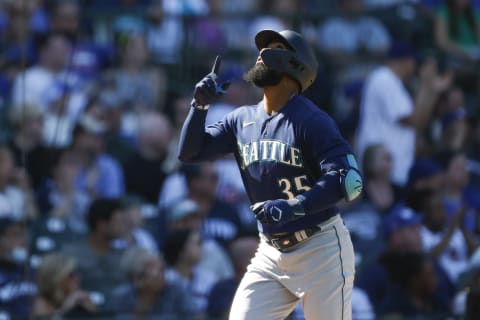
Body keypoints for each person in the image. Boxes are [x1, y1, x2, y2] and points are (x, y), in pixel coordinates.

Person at [178, 29, 363, 319]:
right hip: (271, 253)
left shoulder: (311, 119)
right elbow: (190, 153)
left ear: (297, 64)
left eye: (275, 47)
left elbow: (349, 181)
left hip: (320, 249)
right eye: (262, 48)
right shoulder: (241, 119)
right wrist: (199, 105)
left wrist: (295, 206)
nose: (262, 53)